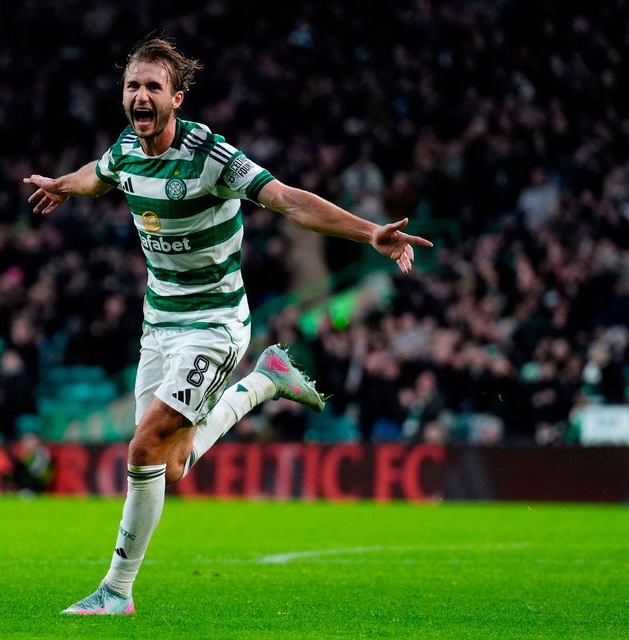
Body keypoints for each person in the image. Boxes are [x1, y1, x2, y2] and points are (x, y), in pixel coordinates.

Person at [23, 36, 433, 616]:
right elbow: (100, 173)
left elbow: (288, 199)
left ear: (176, 99)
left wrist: (370, 232)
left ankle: (115, 590)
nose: (141, 95)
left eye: (153, 87)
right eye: (133, 86)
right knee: (170, 464)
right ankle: (264, 381)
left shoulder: (210, 155)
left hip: (214, 324)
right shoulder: (126, 149)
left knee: (143, 446)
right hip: (158, 323)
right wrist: (64, 185)